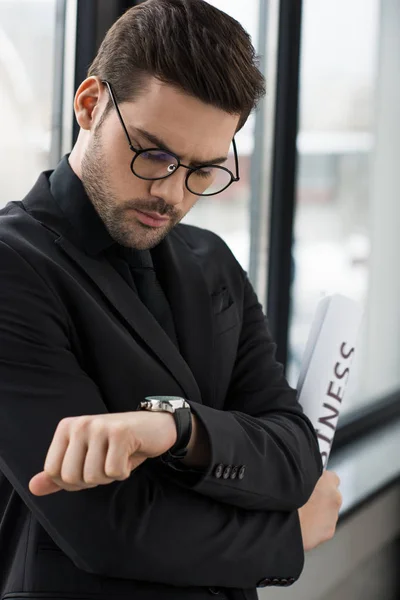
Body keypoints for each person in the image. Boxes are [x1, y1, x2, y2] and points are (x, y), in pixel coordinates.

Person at [0, 1, 342, 599]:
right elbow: (108, 527)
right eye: (153, 153)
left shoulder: (212, 259)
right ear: (89, 105)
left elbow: (293, 452)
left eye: (204, 170)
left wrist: (176, 430)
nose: (171, 193)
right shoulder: (11, 265)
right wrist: (287, 535)